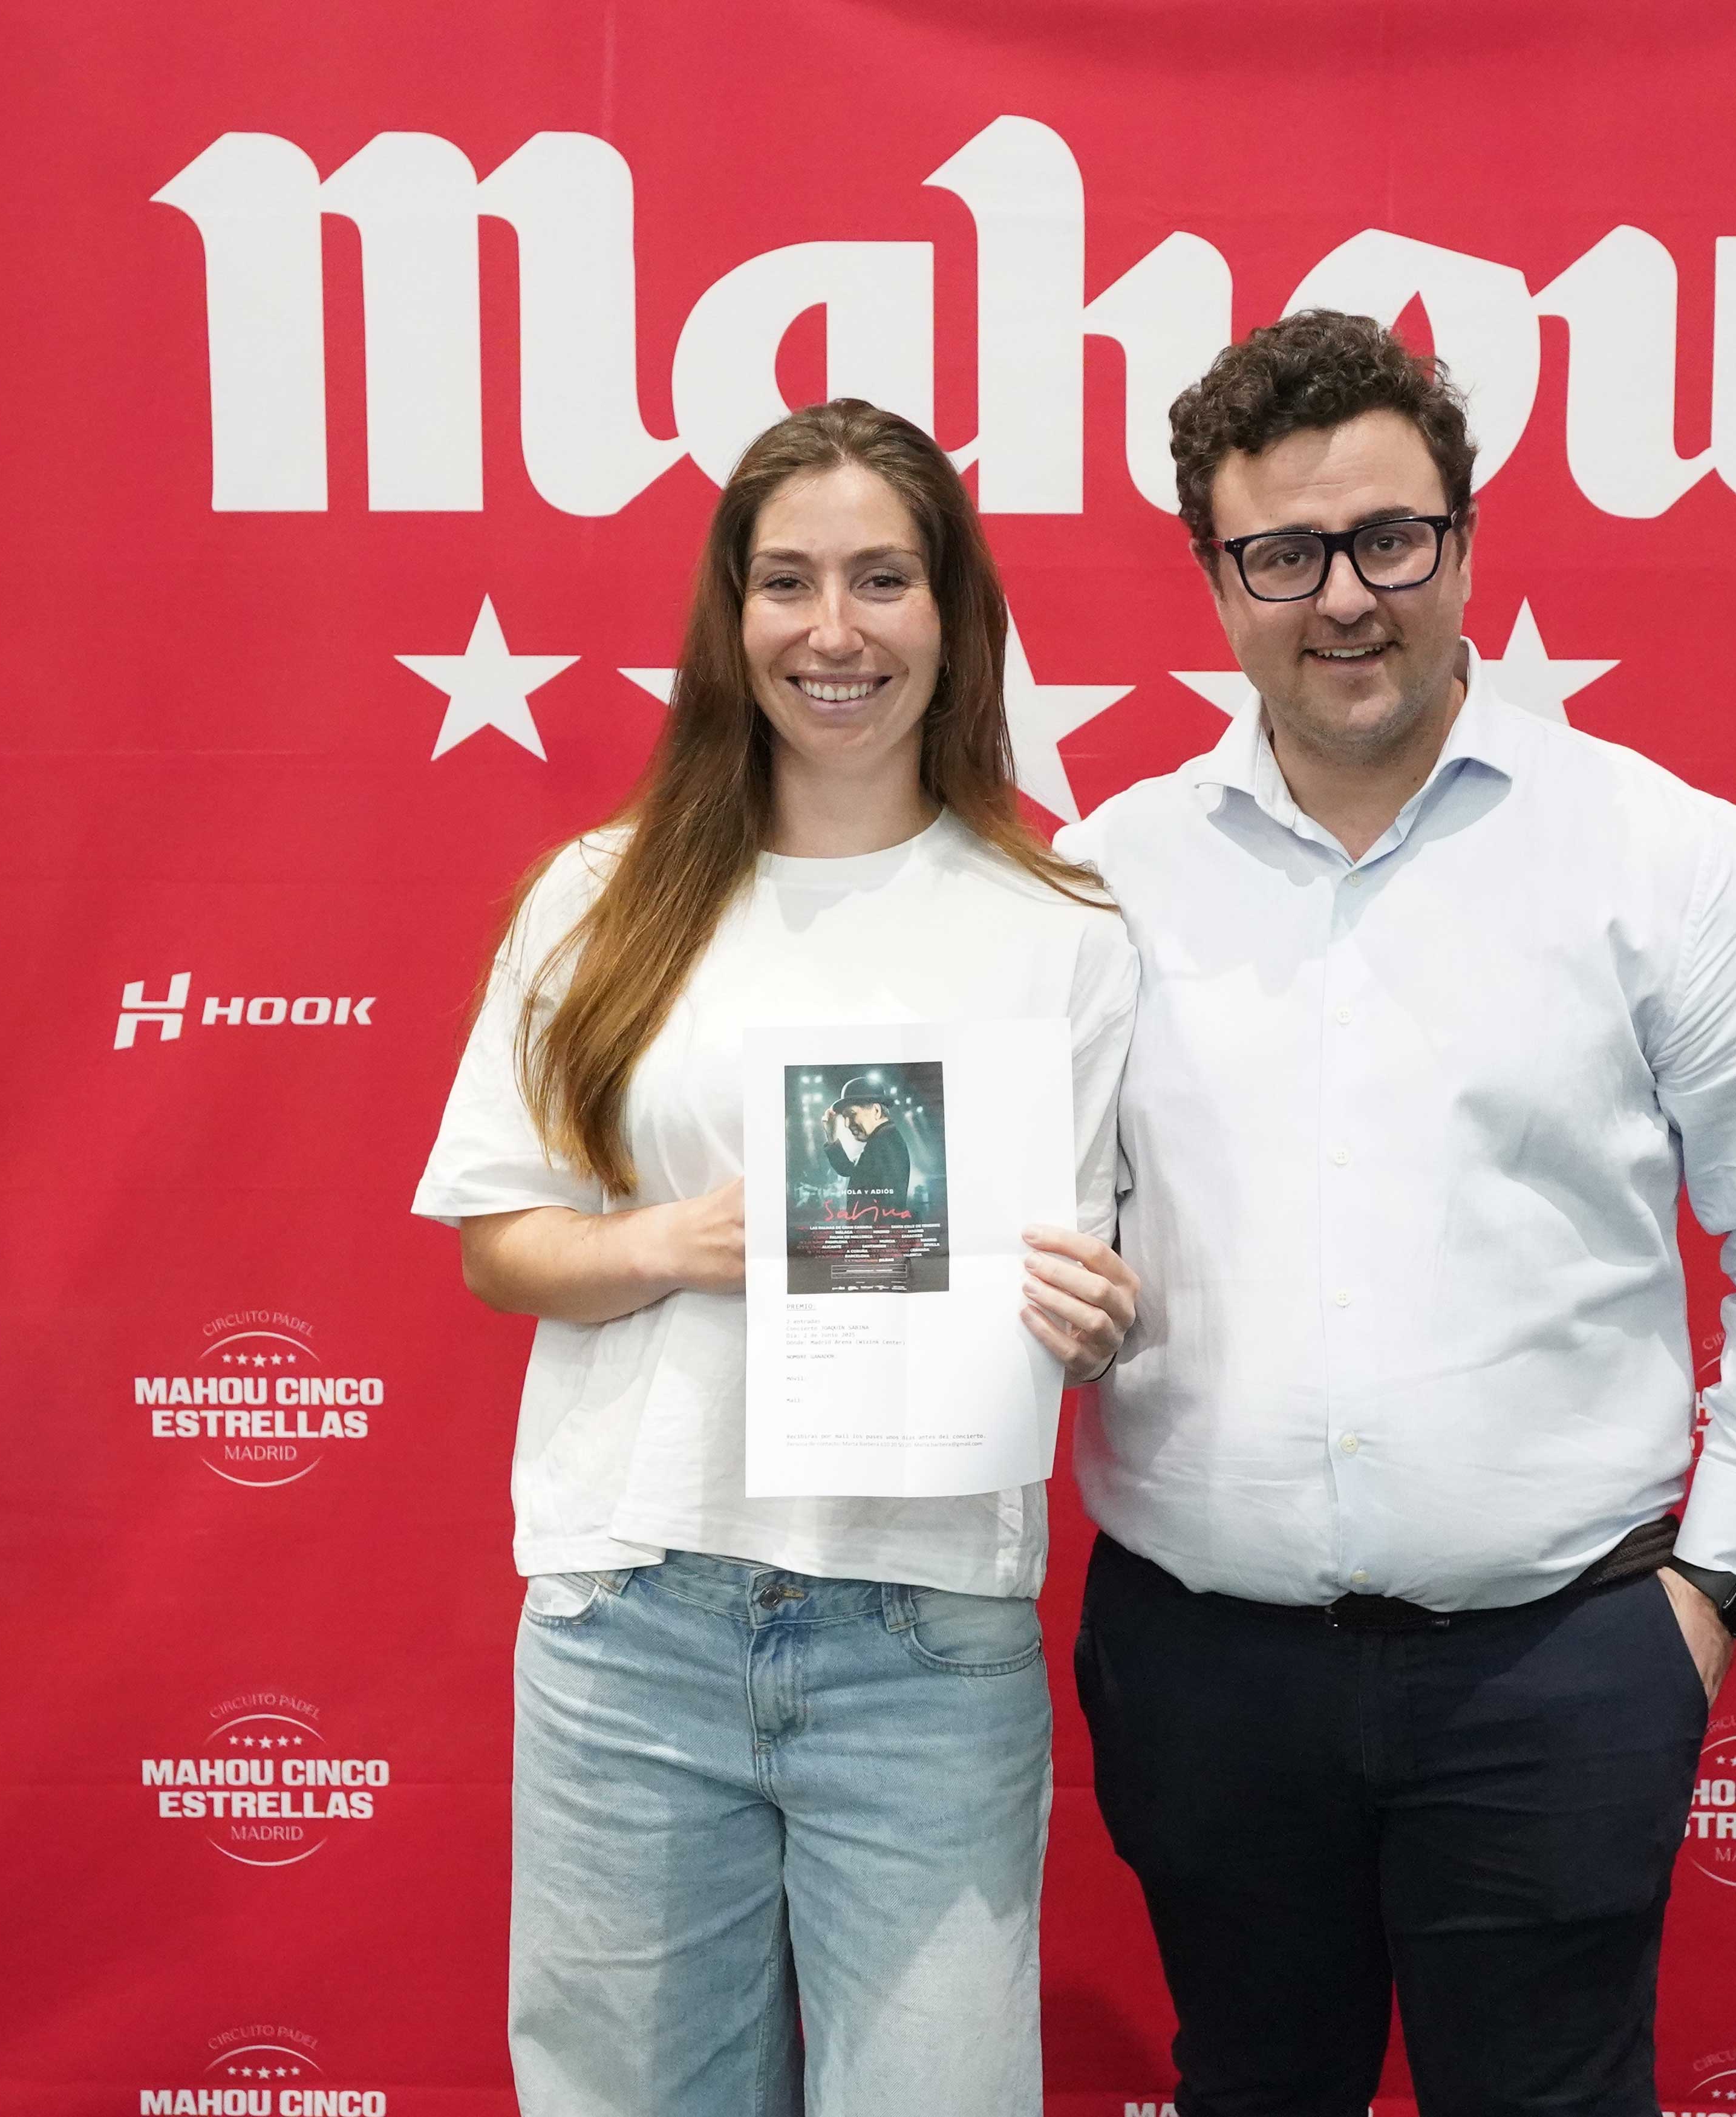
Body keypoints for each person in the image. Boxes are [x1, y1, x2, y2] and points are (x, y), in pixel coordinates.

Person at [1055, 312, 1736, 2116]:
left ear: (1464, 540)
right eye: (1283, 554)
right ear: (1213, 577)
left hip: (1562, 1668)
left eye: (1389, 537)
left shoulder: (1661, 853)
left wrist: (1710, 1582)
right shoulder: (1104, 877)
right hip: (1204, 1670)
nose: (1344, 597)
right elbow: (1041, 1228)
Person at [414, 399, 1143, 2117]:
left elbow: (1077, 1267)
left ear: (950, 614)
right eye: (788, 581)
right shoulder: (597, 899)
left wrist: (1095, 1319)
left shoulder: (1062, 928)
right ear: (729, 615)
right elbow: (497, 1244)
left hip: (928, 1634)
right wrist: (669, 1242)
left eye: (883, 579)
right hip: (635, 1617)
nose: (835, 630)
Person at [826, 1074, 913, 1205]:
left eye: (852, 1114)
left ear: (876, 1111)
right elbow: (852, 1171)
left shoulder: (884, 1143)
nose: (847, 1124)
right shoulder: (883, 1140)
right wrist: (831, 1135)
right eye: (845, 1117)